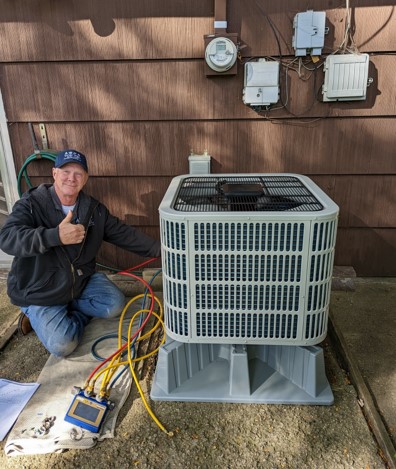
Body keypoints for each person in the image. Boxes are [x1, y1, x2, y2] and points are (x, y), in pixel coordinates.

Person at [0, 149, 161, 357]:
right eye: (66, 171)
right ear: (55, 173)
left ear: (85, 178)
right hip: (40, 292)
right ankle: (37, 316)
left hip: (78, 283)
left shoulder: (93, 209)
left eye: (78, 173)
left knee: (114, 305)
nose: (71, 178)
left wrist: (164, 250)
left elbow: (124, 234)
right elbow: (7, 238)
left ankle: (65, 314)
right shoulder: (31, 204)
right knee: (63, 345)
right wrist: (54, 236)